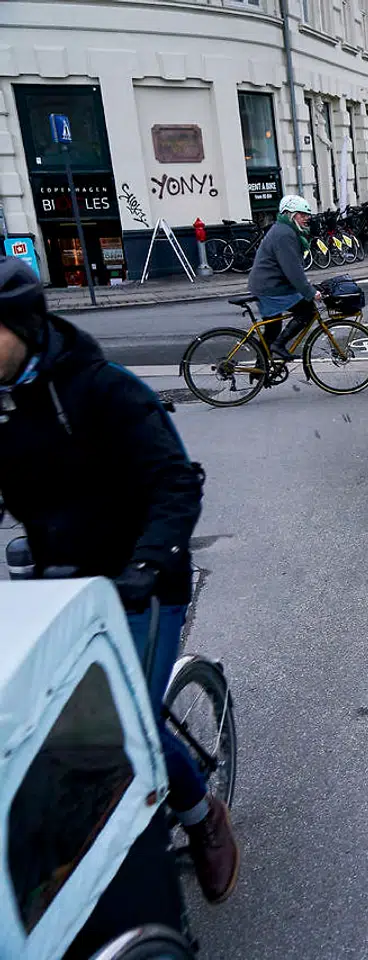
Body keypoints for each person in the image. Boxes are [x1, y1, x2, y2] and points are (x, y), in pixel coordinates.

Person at [0, 257, 240, 902]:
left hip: (141, 582)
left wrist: (148, 562)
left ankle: (201, 817)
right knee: (34, 720)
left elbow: (173, 481)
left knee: (119, 717)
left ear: (23, 324)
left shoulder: (104, 388)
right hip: (56, 584)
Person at [247, 194, 317, 361]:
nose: (306, 218)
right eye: (302, 214)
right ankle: (279, 346)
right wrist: (310, 292)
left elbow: (293, 268)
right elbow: (292, 269)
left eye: (307, 214)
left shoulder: (285, 230)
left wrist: (307, 286)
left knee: (272, 329)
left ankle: (260, 369)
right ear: (290, 215)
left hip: (269, 284)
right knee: (308, 310)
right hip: (271, 287)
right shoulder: (284, 234)